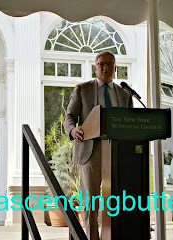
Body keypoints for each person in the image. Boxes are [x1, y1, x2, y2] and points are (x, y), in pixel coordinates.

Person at [64, 50, 133, 240]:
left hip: (117, 153)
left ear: (115, 68)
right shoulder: (82, 89)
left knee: (115, 203)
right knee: (91, 204)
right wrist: (73, 130)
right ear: (95, 68)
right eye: (101, 64)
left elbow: (131, 123)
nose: (106, 67)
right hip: (90, 151)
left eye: (110, 64)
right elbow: (69, 117)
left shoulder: (125, 94)